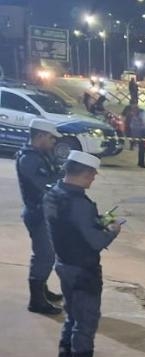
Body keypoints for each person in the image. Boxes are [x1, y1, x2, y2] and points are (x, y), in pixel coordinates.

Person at [44, 151, 121, 357]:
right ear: (85, 174)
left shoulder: (54, 193)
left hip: (64, 263)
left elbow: (69, 227)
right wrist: (113, 230)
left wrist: (95, 222)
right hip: (82, 269)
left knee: (72, 317)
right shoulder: (78, 203)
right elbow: (96, 242)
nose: (94, 179)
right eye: (93, 175)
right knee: (86, 321)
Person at [16, 118, 64, 315]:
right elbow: (44, 185)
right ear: (41, 136)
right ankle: (36, 301)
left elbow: (53, 174)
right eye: (52, 138)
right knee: (44, 256)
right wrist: (64, 177)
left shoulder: (40, 155)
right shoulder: (29, 159)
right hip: (38, 213)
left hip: (45, 212)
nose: (54, 142)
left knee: (46, 255)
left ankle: (42, 291)